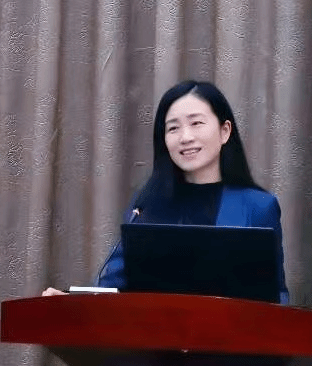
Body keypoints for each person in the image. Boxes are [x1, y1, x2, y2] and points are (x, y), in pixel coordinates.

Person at [43, 80, 288, 304]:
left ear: (225, 131)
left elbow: (276, 298)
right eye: (173, 128)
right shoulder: (146, 206)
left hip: (232, 337)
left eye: (196, 123)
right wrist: (70, 303)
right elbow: (111, 289)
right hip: (154, 338)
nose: (185, 137)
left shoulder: (258, 207)